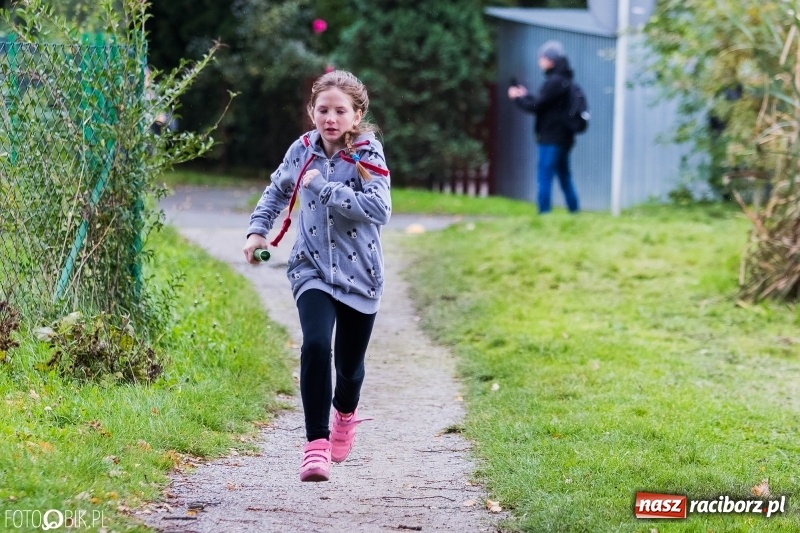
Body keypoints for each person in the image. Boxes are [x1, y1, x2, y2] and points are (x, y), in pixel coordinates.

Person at [243, 70, 391, 482]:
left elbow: (380, 210)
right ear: (311, 111)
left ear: (356, 114)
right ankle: (315, 446)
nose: (330, 118)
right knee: (315, 344)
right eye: (323, 110)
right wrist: (258, 230)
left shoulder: (367, 155)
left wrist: (325, 188)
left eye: (340, 111)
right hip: (311, 267)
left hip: (361, 273)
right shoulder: (302, 150)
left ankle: (345, 414)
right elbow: (276, 190)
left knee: (349, 367)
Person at [508, 40, 580, 214]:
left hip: (551, 138)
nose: (540, 61)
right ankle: (574, 212)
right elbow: (544, 102)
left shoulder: (554, 81)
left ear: (550, 60)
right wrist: (525, 96)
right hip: (563, 137)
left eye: (542, 57)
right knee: (564, 176)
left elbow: (537, 106)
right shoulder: (565, 80)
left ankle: (544, 214)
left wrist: (518, 99)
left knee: (544, 175)